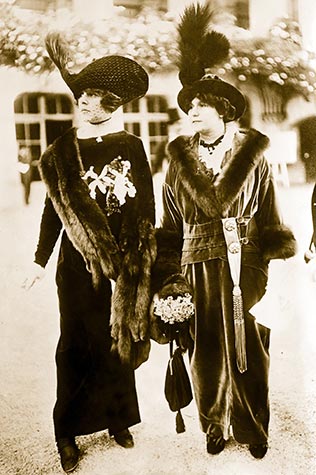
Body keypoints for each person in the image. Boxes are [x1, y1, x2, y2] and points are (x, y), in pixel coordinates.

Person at [154, 4, 297, 460]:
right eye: (189, 107)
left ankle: (254, 427)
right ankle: (213, 424)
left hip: (246, 261)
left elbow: (272, 213)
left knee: (251, 346)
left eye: (200, 106)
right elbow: (170, 225)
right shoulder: (177, 160)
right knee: (204, 348)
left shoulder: (254, 153)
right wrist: (170, 279)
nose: (191, 113)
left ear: (223, 110)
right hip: (197, 265)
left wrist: (274, 264)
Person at [22, 32, 156, 473]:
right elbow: (52, 210)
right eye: (82, 94)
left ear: (113, 105)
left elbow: (145, 209)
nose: (84, 100)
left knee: (117, 342)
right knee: (74, 344)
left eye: (95, 96)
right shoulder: (63, 150)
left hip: (121, 266)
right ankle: (67, 431)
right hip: (76, 267)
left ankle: (118, 419)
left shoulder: (132, 147)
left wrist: (143, 262)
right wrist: (40, 261)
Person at [151, 108, 184, 175]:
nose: (180, 127)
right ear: (170, 125)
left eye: (180, 124)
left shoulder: (184, 141)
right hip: (172, 176)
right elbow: (156, 165)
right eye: (177, 124)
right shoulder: (164, 144)